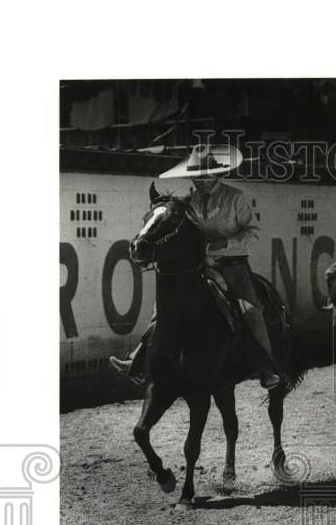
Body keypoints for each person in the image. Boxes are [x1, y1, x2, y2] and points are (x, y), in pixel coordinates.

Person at [109, 144, 282, 389]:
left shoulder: (236, 198)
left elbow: (253, 232)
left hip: (233, 266)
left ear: (217, 175)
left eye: (205, 176)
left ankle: (267, 367)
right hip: (198, 265)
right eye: (196, 176)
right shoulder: (189, 200)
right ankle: (138, 360)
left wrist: (227, 241)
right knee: (163, 308)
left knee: (250, 310)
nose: (199, 181)